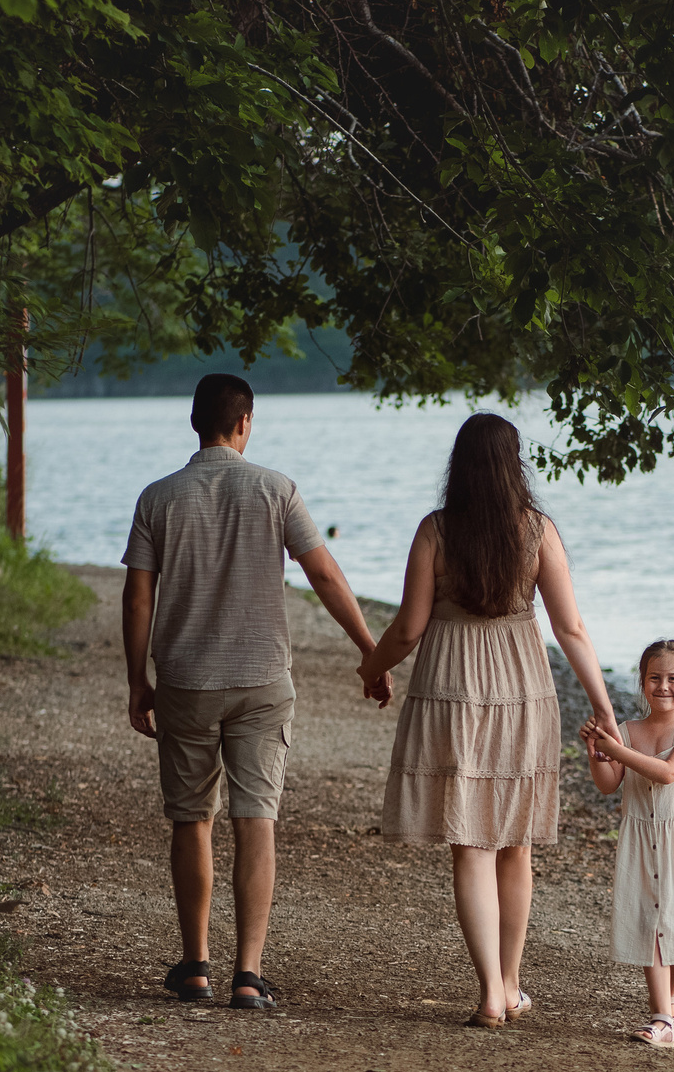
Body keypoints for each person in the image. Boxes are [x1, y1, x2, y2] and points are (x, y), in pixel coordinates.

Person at [122, 373, 389, 1010]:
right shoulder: (276, 489)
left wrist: (139, 679)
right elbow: (322, 572)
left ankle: (194, 967)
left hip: (186, 679)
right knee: (256, 818)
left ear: (194, 423)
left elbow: (138, 593)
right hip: (263, 681)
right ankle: (248, 974)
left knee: (192, 819)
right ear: (245, 423)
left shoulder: (157, 497)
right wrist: (369, 651)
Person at [360, 412, 619, 1029]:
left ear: (460, 463)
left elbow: (408, 629)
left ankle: (489, 993)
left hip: (451, 682)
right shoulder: (537, 530)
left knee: (470, 843)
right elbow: (570, 628)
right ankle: (509, 982)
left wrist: (372, 667)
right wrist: (604, 705)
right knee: (515, 842)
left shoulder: (436, 531)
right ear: (514, 464)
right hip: (521, 686)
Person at [579, 639, 674, 1047]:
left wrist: (617, 751)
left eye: (673, 679)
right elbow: (610, 785)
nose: (663, 686)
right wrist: (598, 752)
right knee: (651, 924)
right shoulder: (627, 731)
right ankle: (663, 1017)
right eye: (654, 678)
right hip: (641, 837)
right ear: (642, 683)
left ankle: (669, 1004)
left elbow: (667, 773)